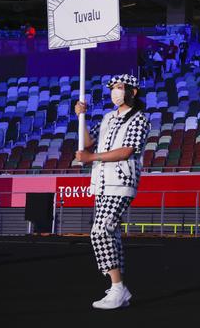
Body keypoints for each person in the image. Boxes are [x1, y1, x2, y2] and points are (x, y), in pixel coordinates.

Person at [74, 74, 151, 309]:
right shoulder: (108, 117)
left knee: (100, 231)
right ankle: (118, 290)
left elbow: (127, 151)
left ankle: (118, 287)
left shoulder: (139, 119)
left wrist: (92, 157)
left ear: (132, 91)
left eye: (119, 87)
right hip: (101, 182)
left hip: (121, 181)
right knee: (111, 234)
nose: (114, 92)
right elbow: (88, 142)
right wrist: (81, 117)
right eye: (113, 88)